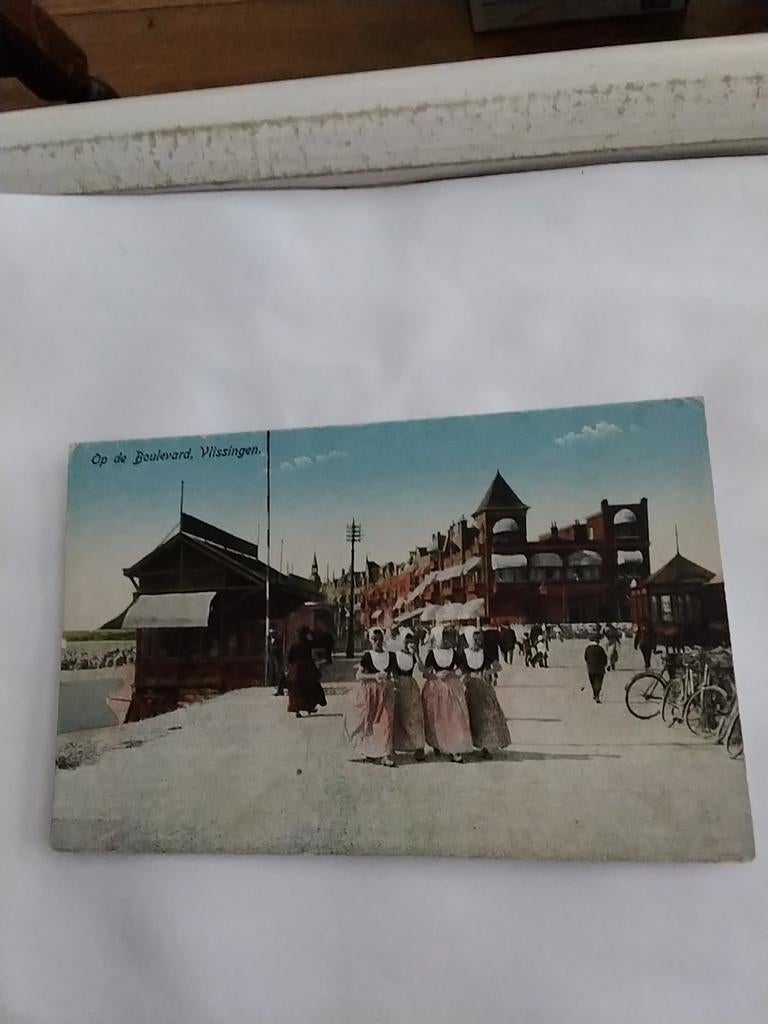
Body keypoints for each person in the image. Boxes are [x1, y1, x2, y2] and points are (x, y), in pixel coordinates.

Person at [344, 628, 396, 767]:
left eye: (379, 639)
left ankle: (385, 754)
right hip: (370, 693)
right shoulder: (368, 656)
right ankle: (371, 751)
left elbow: (393, 675)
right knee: (369, 722)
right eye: (374, 640)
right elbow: (358, 676)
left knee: (386, 722)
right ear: (370, 641)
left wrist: (390, 681)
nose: (377, 643)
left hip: (385, 693)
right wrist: (374, 676)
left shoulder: (390, 656)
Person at [421, 626, 474, 763]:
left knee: (454, 717)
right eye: (444, 638)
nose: (446, 641)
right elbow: (425, 673)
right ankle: (438, 743)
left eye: (448, 638)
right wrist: (436, 675)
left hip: (452, 687)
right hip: (436, 688)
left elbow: (462, 668)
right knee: (438, 717)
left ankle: (453, 748)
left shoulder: (453, 653)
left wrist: (452, 673)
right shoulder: (432, 654)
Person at [457, 627, 511, 758]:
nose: (477, 642)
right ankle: (466, 745)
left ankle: (485, 747)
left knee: (485, 717)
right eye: (474, 639)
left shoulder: (484, 652)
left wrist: (488, 672)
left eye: (478, 639)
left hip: (483, 687)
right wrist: (463, 677)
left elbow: (498, 666)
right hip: (469, 687)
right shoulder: (463, 653)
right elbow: (458, 669)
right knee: (467, 715)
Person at [391, 629, 426, 761]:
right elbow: (393, 672)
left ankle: (418, 747)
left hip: (411, 686)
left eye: (411, 641)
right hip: (398, 686)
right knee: (397, 716)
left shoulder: (413, 656)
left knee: (414, 716)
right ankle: (395, 745)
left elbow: (422, 669)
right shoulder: (395, 655)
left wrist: (417, 654)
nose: (408, 644)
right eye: (406, 641)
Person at [286, 627, 327, 717]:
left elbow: (290, 658)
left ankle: (297, 710)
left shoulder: (294, 645)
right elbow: (317, 643)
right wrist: (312, 634)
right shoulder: (308, 644)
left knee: (296, 690)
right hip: (308, 668)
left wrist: (292, 667)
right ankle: (309, 707)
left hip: (296, 670)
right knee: (310, 688)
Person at [584, 639, 608, 703]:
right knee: (598, 683)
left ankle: (595, 694)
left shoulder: (588, 648)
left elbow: (585, 657)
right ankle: (597, 695)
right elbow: (604, 657)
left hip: (591, 669)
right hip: (600, 669)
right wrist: (604, 664)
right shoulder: (600, 649)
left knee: (593, 683)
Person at [267, 627, 286, 696]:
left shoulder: (278, 640)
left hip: (278, 658)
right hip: (272, 658)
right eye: (270, 633)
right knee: (276, 672)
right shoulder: (268, 640)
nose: (272, 635)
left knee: (279, 672)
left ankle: (280, 687)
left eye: (273, 633)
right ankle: (277, 686)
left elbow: (278, 649)